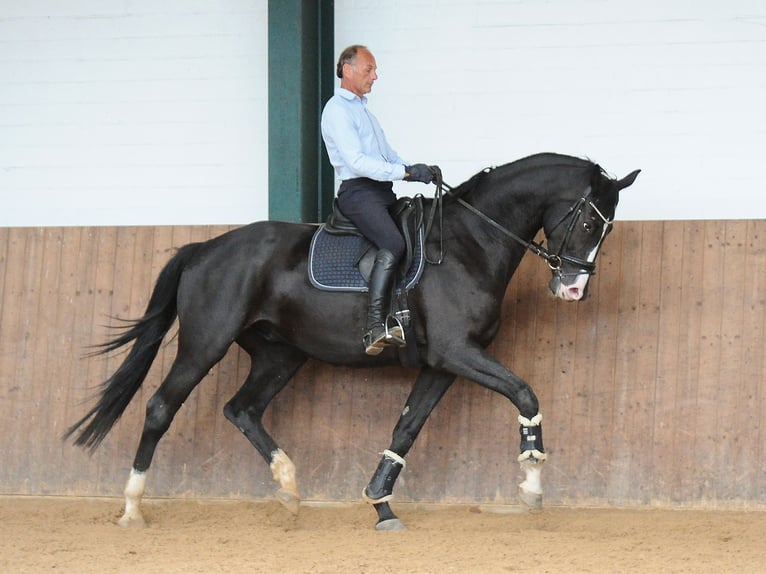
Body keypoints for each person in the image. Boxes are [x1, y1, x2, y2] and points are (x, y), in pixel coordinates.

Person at [321, 44, 438, 355]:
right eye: (368, 69)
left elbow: (388, 156)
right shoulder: (337, 111)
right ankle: (375, 326)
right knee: (394, 243)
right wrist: (405, 173)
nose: (375, 76)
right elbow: (358, 162)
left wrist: (418, 169)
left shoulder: (364, 112)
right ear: (347, 70)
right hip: (358, 193)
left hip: (380, 191)